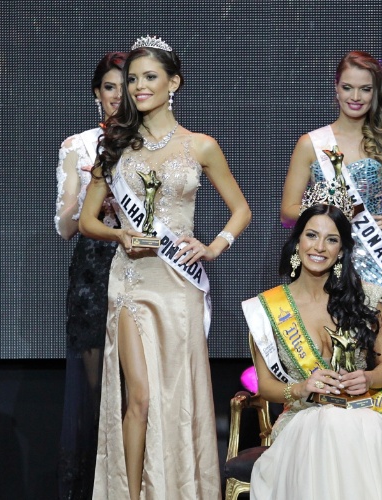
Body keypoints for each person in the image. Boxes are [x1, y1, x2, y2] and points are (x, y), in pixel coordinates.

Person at [79, 35, 251, 500]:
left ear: (173, 82)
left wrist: (214, 246)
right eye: (133, 79)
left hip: (179, 285)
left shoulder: (201, 146)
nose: (139, 87)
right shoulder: (115, 147)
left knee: (177, 396)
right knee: (139, 395)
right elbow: (87, 220)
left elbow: (241, 209)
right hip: (131, 282)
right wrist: (119, 234)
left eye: (150, 77)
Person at [242, 202, 382, 499]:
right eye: (311, 235)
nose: (319, 247)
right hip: (302, 420)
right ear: (297, 241)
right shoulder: (267, 309)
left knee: (358, 426)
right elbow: (266, 386)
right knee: (331, 424)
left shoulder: (365, 298)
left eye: (332, 239)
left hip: (362, 415)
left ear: (341, 250)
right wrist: (301, 388)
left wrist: (368, 379)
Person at [280, 51, 382, 393]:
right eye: (348, 87)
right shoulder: (311, 144)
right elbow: (288, 211)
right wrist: (329, 211)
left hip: (375, 266)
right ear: (336, 89)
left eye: (365, 89)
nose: (355, 97)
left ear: (375, 92)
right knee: (333, 361)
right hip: (327, 263)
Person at [54, 51, 126, 500]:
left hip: (141, 266)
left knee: (138, 388)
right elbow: (64, 227)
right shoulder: (78, 146)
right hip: (93, 272)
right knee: (98, 393)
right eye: (109, 87)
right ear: (96, 94)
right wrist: (88, 203)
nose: (117, 96)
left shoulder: (154, 143)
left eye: (125, 86)